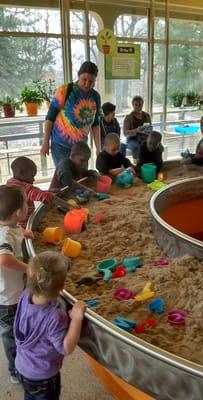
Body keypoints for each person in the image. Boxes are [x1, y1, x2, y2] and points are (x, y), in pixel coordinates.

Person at [14, 251, 86, 399]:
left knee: (30, 396)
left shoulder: (25, 294)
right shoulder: (55, 316)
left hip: (22, 366)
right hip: (43, 377)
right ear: (62, 286)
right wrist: (76, 319)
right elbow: (66, 348)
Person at [41, 61, 101, 166]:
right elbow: (50, 117)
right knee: (65, 178)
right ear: (78, 76)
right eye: (84, 79)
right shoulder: (65, 90)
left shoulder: (95, 96)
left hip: (81, 148)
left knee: (82, 179)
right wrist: (45, 142)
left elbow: (96, 124)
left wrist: (98, 149)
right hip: (60, 145)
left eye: (91, 81)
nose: (87, 84)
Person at [0, 185, 32, 384]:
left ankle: (22, 360)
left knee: (18, 329)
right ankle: (15, 371)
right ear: (19, 212)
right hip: (6, 299)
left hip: (14, 292)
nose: (29, 205)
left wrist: (24, 233)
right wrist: (28, 269)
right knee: (10, 334)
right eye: (26, 203)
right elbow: (4, 259)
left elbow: (14, 230)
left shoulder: (11, 226)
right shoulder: (4, 235)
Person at [7, 157, 54, 228]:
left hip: (13, 223)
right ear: (21, 173)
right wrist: (52, 196)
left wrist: (48, 191)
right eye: (32, 176)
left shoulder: (10, 184)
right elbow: (43, 196)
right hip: (24, 224)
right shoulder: (23, 188)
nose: (33, 179)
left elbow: (34, 193)